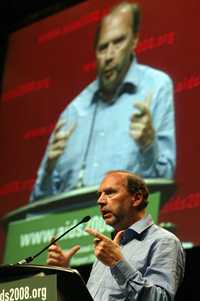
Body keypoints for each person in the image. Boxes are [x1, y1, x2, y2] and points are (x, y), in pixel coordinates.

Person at [30, 1, 176, 202]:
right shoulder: (74, 110)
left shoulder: (156, 87)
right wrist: (48, 171)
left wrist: (148, 146)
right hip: (70, 228)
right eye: (102, 47)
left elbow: (164, 185)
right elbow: (37, 203)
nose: (109, 55)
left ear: (134, 41)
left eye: (118, 42)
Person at [47, 170, 185, 300]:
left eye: (110, 193)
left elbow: (159, 298)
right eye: (99, 195)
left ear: (136, 198)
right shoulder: (111, 246)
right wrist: (65, 273)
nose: (100, 201)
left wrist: (118, 264)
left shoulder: (164, 241)